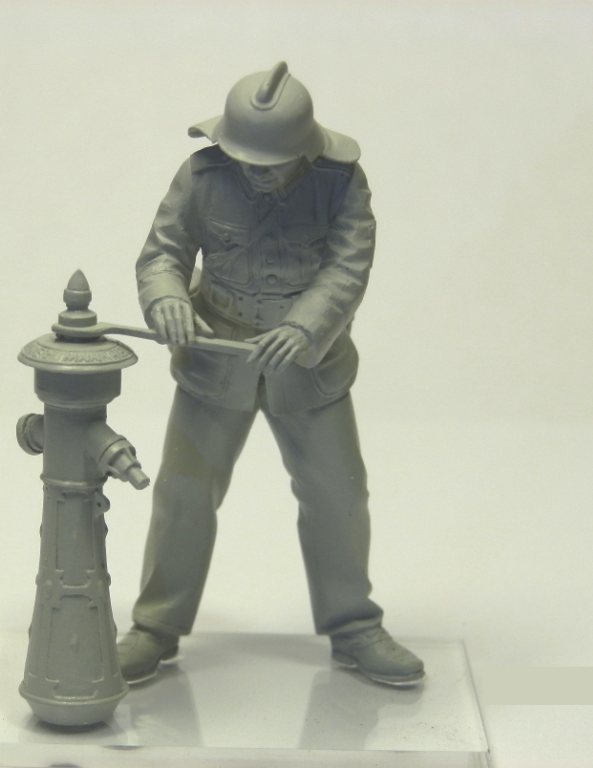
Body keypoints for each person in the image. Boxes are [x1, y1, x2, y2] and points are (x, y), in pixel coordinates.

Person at [119, 62, 424, 687]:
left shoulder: (341, 184)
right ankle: (155, 625)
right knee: (183, 494)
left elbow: (348, 267)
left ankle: (353, 625)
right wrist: (167, 298)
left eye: (272, 162)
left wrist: (307, 328)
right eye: (246, 158)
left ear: (304, 150)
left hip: (308, 369)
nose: (256, 171)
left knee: (338, 495)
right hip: (215, 361)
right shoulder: (202, 176)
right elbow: (162, 254)